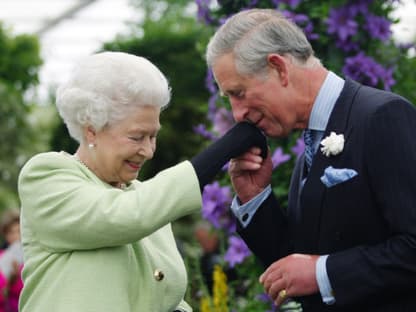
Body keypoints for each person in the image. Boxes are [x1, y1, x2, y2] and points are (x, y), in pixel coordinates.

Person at [17, 51, 267, 312]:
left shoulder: (146, 197)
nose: (148, 151)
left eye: (153, 136)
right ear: (92, 130)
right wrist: (224, 149)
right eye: (137, 137)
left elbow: (163, 297)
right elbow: (124, 215)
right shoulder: (46, 176)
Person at [205, 8, 416, 312]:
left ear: (279, 68)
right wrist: (254, 198)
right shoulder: (311, 142)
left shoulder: (382, 116)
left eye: (239, 93)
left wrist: (324, 273)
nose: (238, 115)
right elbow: (295, 267)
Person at [0, 209, 23, 312]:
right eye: (11, 232)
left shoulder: (30, 256)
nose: (16, 236)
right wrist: (11, 281)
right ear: (5, 234)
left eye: (19, 231)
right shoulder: (2, 258)